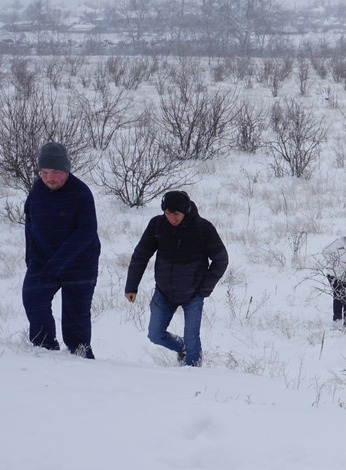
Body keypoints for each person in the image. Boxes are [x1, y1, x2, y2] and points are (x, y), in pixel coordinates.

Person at [125, 190, 228, 367]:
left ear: (185, 211)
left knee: (192, 338)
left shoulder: (202, 228)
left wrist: (204, 289)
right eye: (168, 213)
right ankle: (181, 347)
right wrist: (131, 286)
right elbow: (141, 255)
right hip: (164, 292)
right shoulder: (157, 225)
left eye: (176, 214)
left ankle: (193, 373)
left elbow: (221, 259)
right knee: (155, 334)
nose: (172, 218)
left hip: (193, 293)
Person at [22, 141, 100, 357]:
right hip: (44, 260)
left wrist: (57, 265)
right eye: (44, 172)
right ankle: (44, 349)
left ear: (66, 169)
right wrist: (31, 257)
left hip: (80, 264)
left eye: (56, 172)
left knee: (75, 317)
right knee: (33, 298)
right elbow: (30, 225)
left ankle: (81, 357)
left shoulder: (81, 193)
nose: (50, 178)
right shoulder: (37, 190)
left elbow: (86, 232)